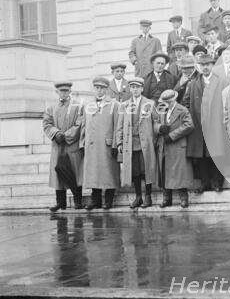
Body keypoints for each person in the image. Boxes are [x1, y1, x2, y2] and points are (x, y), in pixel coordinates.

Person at [183, 54, 226, 193]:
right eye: (202, 65)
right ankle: (204, 182)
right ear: (199, 67)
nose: (205, 67)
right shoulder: (193, 83)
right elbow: (186, 102)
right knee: (201, 156)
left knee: (216, 154)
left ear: (213, 65)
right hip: (198, 125)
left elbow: (226, 101)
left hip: (216, 125)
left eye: (208, 64)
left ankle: (217, 182)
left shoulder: (221, 81)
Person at [115, 77, 158, 209]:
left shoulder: (149, 103)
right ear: (130, 89)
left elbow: (156, 122)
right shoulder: (125, 105)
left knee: (147, 170)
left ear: (142, 89)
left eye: (137, 87)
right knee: (135, 172)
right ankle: (138, 196)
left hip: (145, 142)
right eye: (132, 87)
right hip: (130, 143)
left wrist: (154, 139)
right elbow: (120, 125)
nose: (135, 90)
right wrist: (120, 142)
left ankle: (148, 196)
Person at [80, 76, 121, 210]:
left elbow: (117, 125)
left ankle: (108, 200)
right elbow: (84, 125)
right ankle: (95, 200)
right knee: (94, 173)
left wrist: (116, 144)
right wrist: (82, 143)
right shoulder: (88, 105)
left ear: (106, 89)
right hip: (92, 145)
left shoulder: (114, 105)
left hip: (107, 145)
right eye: (97, 88)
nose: (99, 91)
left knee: (109, 173)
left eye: (102, 88)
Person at [43, 81, 84, 211]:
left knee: (75, 173)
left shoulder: (78, 106)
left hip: (72, 145)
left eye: (66, 91)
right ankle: (60, 202)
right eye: (61, 91)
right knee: (58, 174)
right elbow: (46, 124)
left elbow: (79, 123)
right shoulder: (51, 108)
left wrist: (66, 135)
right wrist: (55, 134)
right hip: (57, 146)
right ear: (57, 92)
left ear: (70, 92)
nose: (64, 93)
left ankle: (78, 201)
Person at [154, 89, 194, 208]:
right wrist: (160, 128)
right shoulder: (161, 109)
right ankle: (167, 198)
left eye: (168, 102)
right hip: (164, 146)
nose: (165, 104)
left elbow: (189, 125)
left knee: (180, 173)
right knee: (165, 172)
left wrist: (172, 136)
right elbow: (154, 122)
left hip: (177, 146)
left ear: (173, 100)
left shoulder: (182, 110)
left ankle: (183, 198)